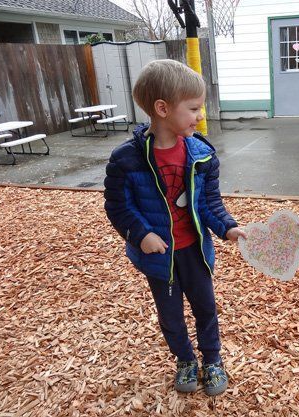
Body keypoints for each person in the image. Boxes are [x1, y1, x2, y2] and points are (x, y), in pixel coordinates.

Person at [104, 59, 245, 396]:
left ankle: (212, 360)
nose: (200, 116)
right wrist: (141, 235)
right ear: (163, 108)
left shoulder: (202, 155)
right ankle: (184, 359)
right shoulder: (126, 159)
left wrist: (227, 228)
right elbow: (118, 207)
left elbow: (210, 204)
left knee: (206, 308)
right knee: (170, 315)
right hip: (159, 257)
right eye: (194, 108)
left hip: (195, 252)